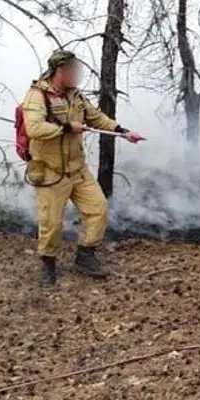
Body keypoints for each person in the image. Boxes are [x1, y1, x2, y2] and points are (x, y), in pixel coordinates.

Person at [21, 50, 144, 286]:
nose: (77, 76)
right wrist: (67, 127)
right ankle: (48, 264)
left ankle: (85, 256)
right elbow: (34, 129)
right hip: (50, 172)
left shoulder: (76, 96)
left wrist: (123, 132)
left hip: (77, 169)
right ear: (60, 71)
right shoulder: (37, 96)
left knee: (98, 209)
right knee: (52, 222)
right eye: (73, 70)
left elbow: (97, 118)